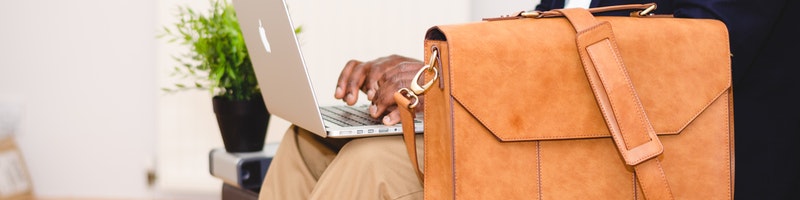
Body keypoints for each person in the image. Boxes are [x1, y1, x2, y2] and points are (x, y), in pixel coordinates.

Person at [259, 0, 799, 199]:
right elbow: (540, 40)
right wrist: (437, 77)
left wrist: (459, 72)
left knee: (373, 163)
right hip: (561, 139)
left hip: (660, 159)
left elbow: (686, 56)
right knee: (306, 144)